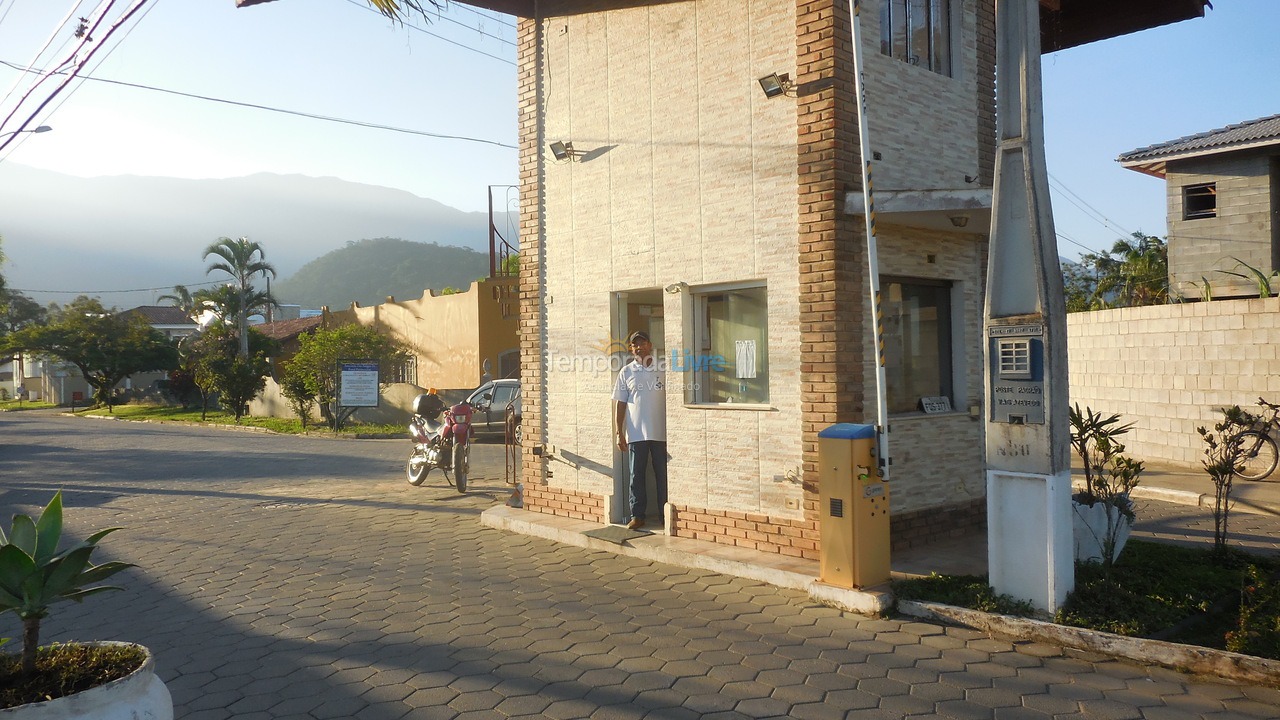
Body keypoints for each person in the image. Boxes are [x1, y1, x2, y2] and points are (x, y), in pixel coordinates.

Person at [612, 330, 667, 530]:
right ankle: (637, 515)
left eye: (642, 343)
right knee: (636, 476)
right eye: (635, 345)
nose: (639, 347)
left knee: (663, 475)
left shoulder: (663, 368)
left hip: (662, 433)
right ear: (631, 348)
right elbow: (620, 403)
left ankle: (665, 515)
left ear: (650, 345)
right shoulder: (626, 372)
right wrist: (619, 432)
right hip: (636, 434)